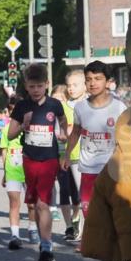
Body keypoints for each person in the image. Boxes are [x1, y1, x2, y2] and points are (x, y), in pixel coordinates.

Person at [62, 61, 128, 261]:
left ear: (108, 82)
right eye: (89, 79)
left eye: (98, 79)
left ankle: (113, 256)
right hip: (88, 169)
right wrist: (66, 154)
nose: (93, 83)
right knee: (90, 213)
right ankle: (106, 256)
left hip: (112, 169)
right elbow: (75, 133)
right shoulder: (81, 108)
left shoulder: (119, 107)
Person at [7, 64, 70, 261]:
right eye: (32, 86)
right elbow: (10, 135)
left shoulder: (54, 104)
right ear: (26, 85)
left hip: (49, 159)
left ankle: (46, 249)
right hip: (29, 159)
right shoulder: (22, 106)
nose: (35, 90)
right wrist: (23, 126)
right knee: (34, 203)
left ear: (47, 84)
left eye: (39, 86)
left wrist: (63, 134)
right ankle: (44, 243)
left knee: (43, 203)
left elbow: (63, 122)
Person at [0, 97, 35, 250]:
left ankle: (32, 227)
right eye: (12, 110)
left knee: (32, 204)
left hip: (29, 171)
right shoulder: (6, 129)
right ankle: (15, 235)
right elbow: (4, 152)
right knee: (14, 203)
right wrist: (5, 173)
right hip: (12, 171)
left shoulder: (33, 126)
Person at [51, 84, 82, 241]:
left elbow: (75, 132)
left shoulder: (72, 111)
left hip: (75, 156)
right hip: (58, 156)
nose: (58, 102)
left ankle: (76, 218)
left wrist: (66, 135)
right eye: (55, 98)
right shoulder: (49, 115)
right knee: (64, 190)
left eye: (61, 98)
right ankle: (69, 226)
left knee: (76, 193)